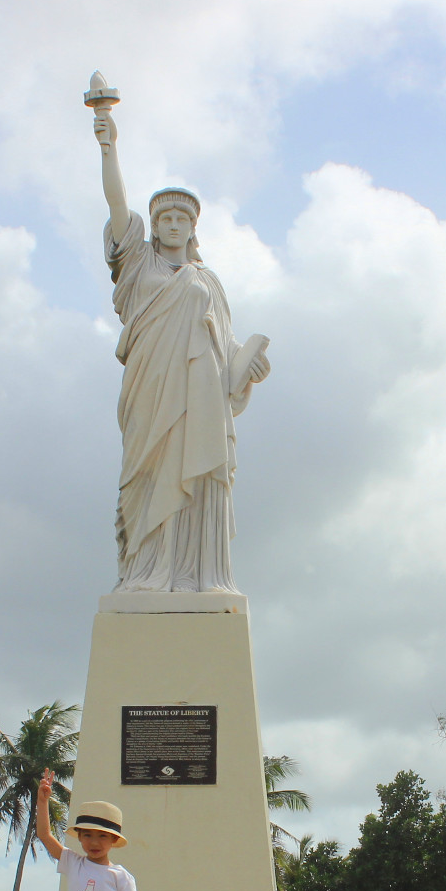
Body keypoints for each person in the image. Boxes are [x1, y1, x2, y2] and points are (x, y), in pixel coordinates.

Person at [93, 99, 269, 592]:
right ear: (153, 226)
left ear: (193, 229)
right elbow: (115, 202)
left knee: (199, 475)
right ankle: (147, 572)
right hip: (150, 390)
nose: (173, 224)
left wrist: (247, 368)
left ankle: (199, 573)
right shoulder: (138, 264)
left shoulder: (207, 281)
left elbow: (226, 346)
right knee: (147, 477)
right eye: (164, 217)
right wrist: (108, 145)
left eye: (181, 219)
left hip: (199, 399)